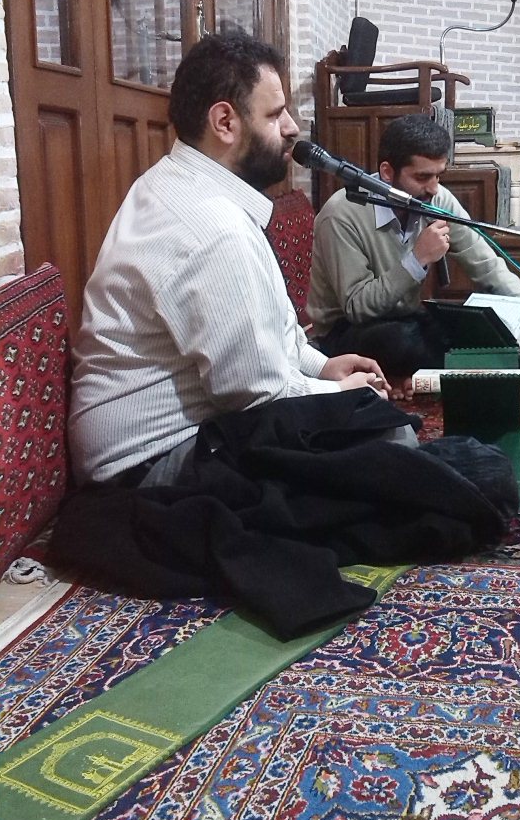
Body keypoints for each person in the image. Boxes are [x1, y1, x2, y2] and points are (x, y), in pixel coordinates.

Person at [69, 32, 390, 488]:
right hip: (148, 467)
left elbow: (268, 336)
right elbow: (255, 394)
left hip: (188, 440)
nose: (292, 128)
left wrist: (321, 367)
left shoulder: (186, 185)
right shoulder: (213, 227)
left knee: (384, 440)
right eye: (275, 114)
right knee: (387, 442)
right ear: (224, 122)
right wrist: (339, 392)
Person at [306, 114, 520, 399]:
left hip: (406, 318)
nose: (434, 188)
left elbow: (487, 266)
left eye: (438, 175)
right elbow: (358, 307)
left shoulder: (436, 199)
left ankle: (444, 371)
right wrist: (416, 260)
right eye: (422, 177)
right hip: (345, 332)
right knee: (401, 341)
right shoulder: (341, 214)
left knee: (475, 323)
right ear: (388, 172)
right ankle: (490, 367)